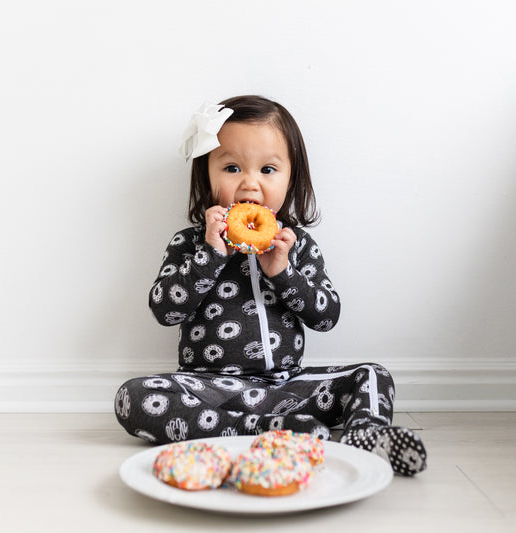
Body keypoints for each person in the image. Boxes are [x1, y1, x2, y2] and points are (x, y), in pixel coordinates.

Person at [114, 95, 427, 476]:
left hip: (288, 389)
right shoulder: (190, 244)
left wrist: (284, 273)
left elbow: (326, 316)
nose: (250, 183)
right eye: (231, 167)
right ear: (206, 176)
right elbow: (165, 310)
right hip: (210, 389)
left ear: (291, 177)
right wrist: (210, 257)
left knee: (373, 374)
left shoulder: (297, 246)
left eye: (267, 169)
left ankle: (367, 438)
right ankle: (264, 431)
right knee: (134, 396)